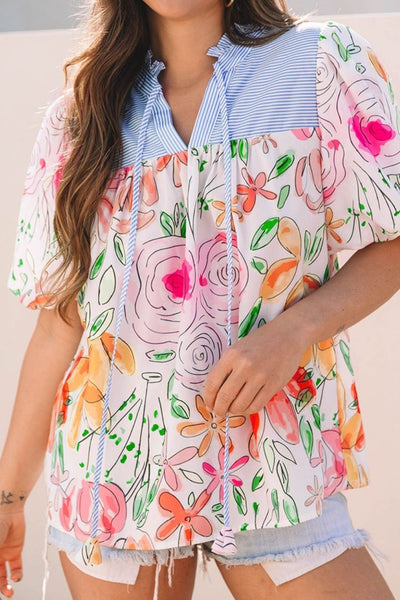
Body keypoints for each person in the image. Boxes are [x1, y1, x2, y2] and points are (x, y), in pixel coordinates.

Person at [1, 0, 400, 599]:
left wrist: (293, 333)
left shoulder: (319, 63)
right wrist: (8, 496)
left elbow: (392, 237)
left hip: (273, 464)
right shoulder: (80, 116)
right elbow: (62, 324)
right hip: (113, 477)